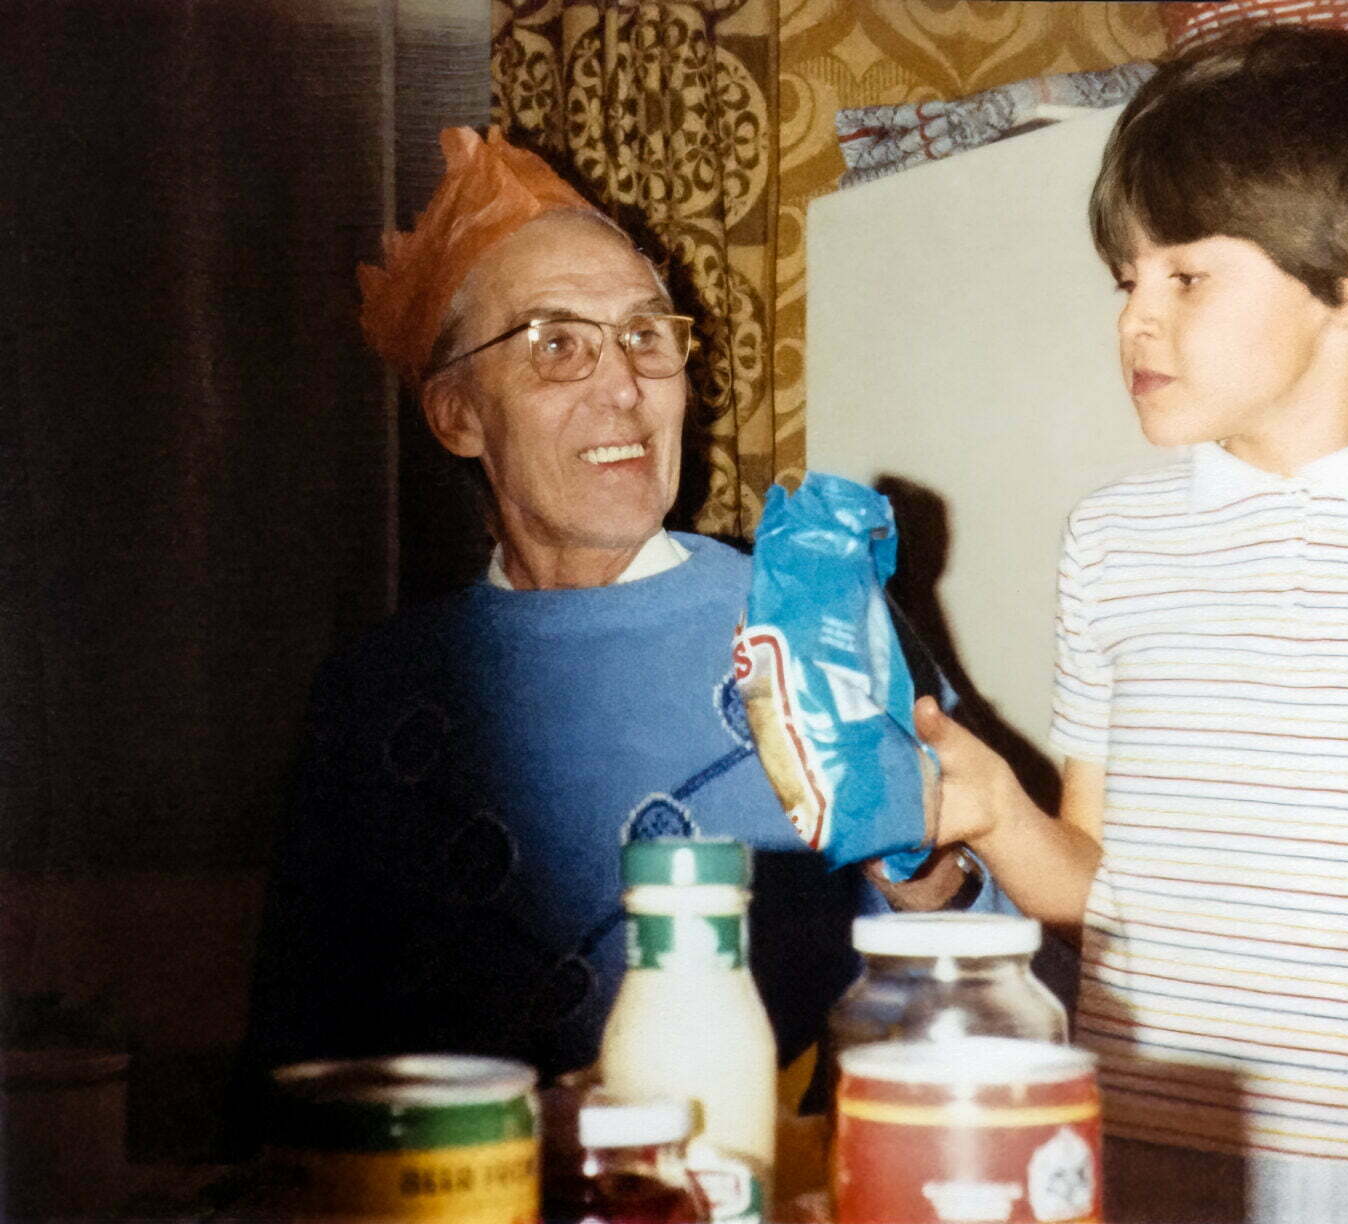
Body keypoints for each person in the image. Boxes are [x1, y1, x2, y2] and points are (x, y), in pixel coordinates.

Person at [914, 27, 1348, 1224]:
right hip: (1153, 1135)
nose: (1135, 320)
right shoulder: (1113, 540)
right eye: (1124, 278)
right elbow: (1091, 884)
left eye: (1185, 275)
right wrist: (996, 813)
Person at [243, 128, 975, 1091]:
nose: (624, 386)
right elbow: (296, 1052)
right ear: (458, 414)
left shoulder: (806, 618)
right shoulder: (374, 697)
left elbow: (982, 957)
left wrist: (923, 867)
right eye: (556, 347)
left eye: (645, 335)